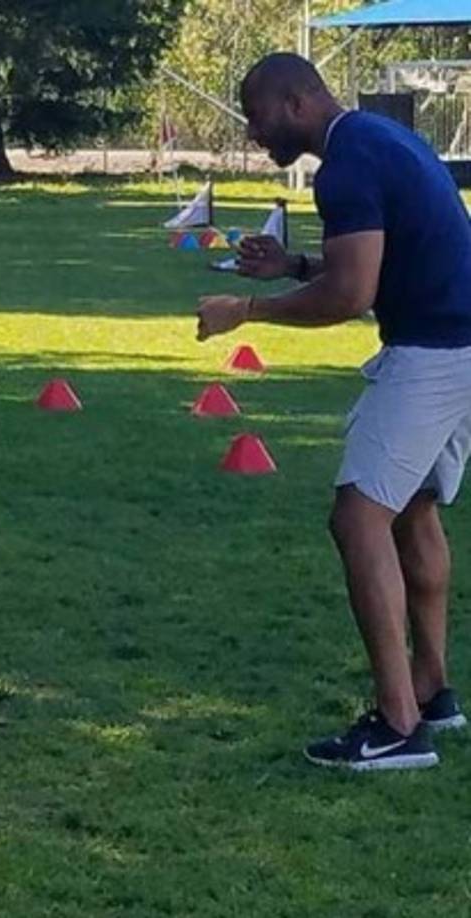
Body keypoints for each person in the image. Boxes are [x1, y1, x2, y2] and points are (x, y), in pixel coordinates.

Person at [197, 52, 471, 771]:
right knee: (412, 506)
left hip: (434, 351)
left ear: (294, 103)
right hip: (459, 341)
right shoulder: (382, 139)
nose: (255, 134)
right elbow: (377, 266)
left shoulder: (346, 167)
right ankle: (433, 691)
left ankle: (396, 725)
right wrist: (289, 268)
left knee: (357, 517)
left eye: (257, 118)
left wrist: (247, 309)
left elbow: (350, 296)